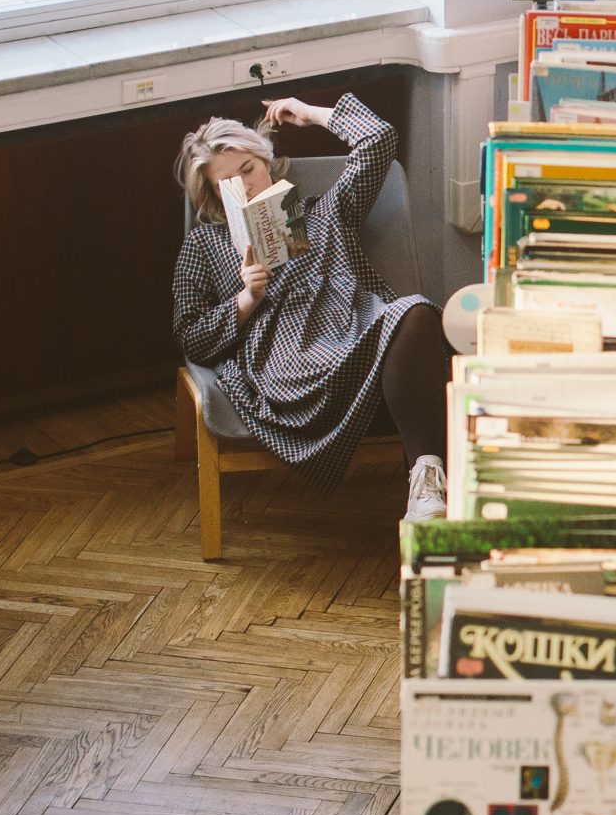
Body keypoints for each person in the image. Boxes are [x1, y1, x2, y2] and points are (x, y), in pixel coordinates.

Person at [172, 94, 450, 520]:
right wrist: (246, 300)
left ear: (266, 161)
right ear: (213, 197)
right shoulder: (205, 245)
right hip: (288, 360)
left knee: (417, 312)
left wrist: (311, 114)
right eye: (227, 183)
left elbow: (379, 139)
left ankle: (426, 486)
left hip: (358, 331)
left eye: (248, 169)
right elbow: (191, 336)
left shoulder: (328, 209)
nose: (245, 185)